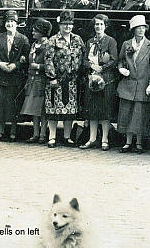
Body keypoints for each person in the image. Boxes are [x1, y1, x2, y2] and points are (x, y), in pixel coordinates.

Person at [116, 15, 150, 154]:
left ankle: (139, 143)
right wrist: (121, 68)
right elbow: (121, 60)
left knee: (139, 115)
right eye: (138, 28)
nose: (141, 30)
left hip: (143, 85)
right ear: (133, 30)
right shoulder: (126, 44)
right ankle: (128, 142)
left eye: (143, 28)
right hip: (128, 84)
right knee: (127, 113)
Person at [43, 10, 85, 148]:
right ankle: (52, 137)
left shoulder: (77, 39)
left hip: (72, 80)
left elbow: (83, 56)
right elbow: (48, 59)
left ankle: (67, 137)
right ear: (59, 25)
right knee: (54, 109)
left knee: (70, 110)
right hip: (57, 80)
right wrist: (52, 77)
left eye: (70, 24)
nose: (67, 27)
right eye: (64, 24)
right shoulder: (53, 40)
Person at [0, 10, 30, 141]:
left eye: (12, 21)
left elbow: (26, 57)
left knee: (13, 105)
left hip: (15, 76)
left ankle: (13, 131)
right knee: (0, 104)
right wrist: (0, 63)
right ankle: (1, 131)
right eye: (7, 21)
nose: (10, 24)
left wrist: (16, 65)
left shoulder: (23, 39)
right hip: (1, 75)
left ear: (17, 23)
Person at [80, 14, 118, 151]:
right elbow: (84, 59)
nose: (98, 27)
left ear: (105, 26)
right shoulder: (89, 41)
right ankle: (92, 138)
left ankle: (105, 139)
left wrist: (102, 67)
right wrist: (91, 66)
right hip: (92, 78)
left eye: (101, 24)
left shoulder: (111, 41)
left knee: (105, 109)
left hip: (106, 79)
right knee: (92, 109)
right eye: (96, 24)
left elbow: (114, 60)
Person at [20, 18, 52, 143]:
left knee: (42, 109)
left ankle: (43, 134)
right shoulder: (34, 45)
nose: (33, 32)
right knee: (34, 108)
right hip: (32, 80)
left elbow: (51, 64)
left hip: (42, 80)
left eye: (36, 30)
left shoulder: (48, 45)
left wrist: (38, 66)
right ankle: (35, 134)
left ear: (42, 32)